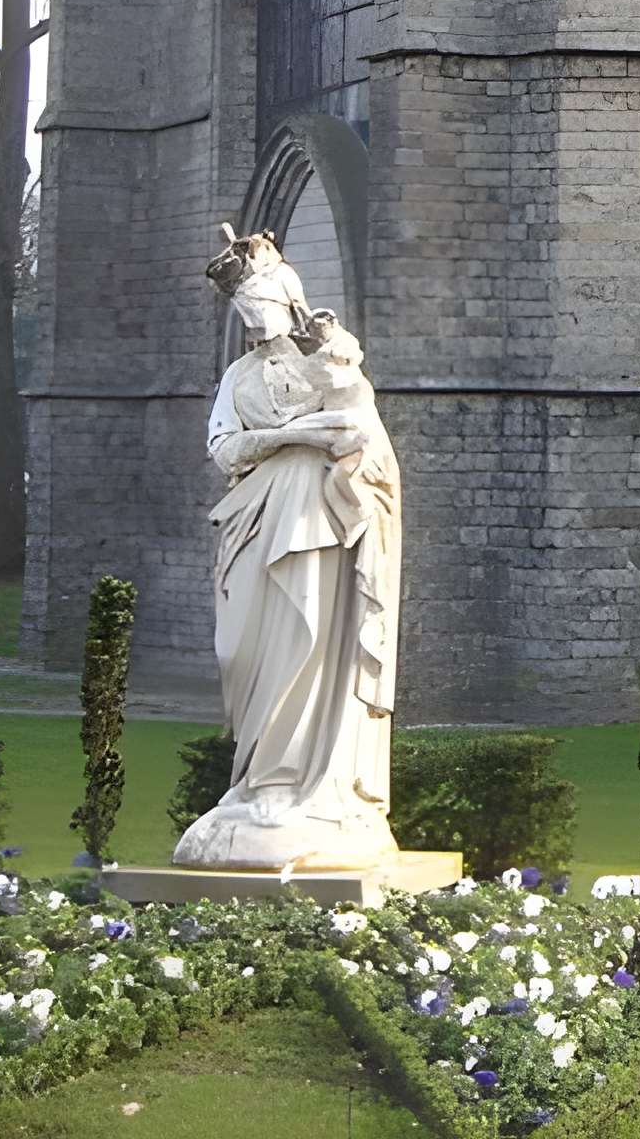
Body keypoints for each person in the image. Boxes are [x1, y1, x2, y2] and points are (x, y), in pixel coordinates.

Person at [172, 227, 403, 871]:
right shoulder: (237, 377)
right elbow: (223, 447)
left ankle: (293, 783)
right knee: (242, 648)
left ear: (287, 304)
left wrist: (329, 367)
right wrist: (292, 434)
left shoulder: (328, 356)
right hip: (254, 516)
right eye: (244, 317)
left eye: (261, 314)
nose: (254, 331)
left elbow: (357, 423)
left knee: (308, 641)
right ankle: (254, 783)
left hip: (320, 517)